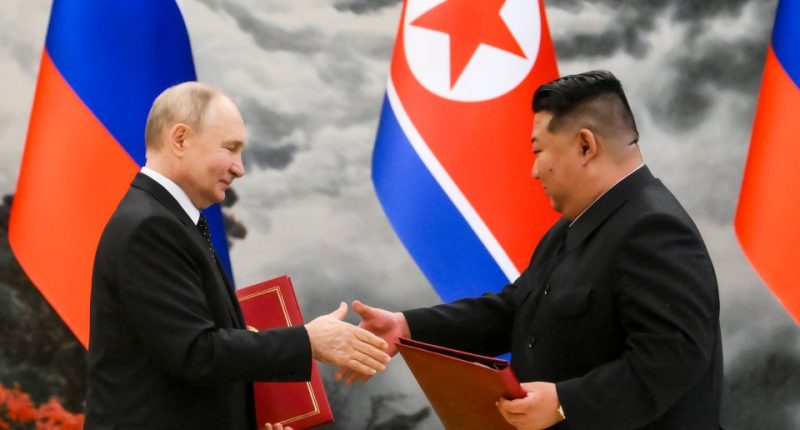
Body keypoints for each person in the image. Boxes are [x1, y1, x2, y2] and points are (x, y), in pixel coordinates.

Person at [348, 70, 726, 429]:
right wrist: (407, 327)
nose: (533, 171)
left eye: (539, 150)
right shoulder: (572, 228)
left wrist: (565, 402)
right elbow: (515, 311)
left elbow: (671, 361)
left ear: (585, 145)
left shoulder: (654, 229)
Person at [85, 82, 390, 430]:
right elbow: (196, 353)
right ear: (180, 139)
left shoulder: (167, 219)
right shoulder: (151, 226)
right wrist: (309, 341)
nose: (239, 168)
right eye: (230, 149)